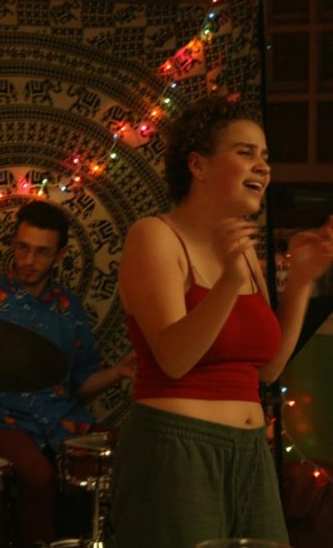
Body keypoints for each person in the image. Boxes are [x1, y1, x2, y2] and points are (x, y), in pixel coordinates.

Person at [109, 96, 333, 548]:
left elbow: (266, 371)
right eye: (245, 152)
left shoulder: (244, 253)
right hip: (177, 449)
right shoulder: (154, 235)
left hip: (250, 451)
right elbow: (173, 358)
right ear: (199, 165)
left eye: (266, 157)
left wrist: (302, 283)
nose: (264, 168)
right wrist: (228, 283)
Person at [0, 200, 135, 546]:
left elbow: (82, 381)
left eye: (42, 253)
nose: (29, 261)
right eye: (23, 248)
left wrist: (118, 372)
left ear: (59, 256)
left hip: (62, 420)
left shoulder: (68, 307)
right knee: (37, 475)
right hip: (6, 422)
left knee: (135, 453)